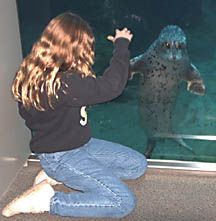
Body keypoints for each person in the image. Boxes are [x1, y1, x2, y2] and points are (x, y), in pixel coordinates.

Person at [2, 12, 147, 218]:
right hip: (61, 157)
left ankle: (64, 176)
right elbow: (112, 86)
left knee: (137, 165)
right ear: (77, 48)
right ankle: (47, 201)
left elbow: (28, 115)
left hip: (81, 145)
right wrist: (121, 45)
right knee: (123, 202)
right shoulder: (67, 84)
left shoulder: (32, 72)